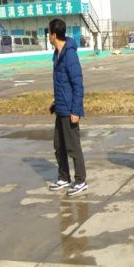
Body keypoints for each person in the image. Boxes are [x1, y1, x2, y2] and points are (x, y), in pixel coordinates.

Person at [47, 19, 88, 197]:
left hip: (70, 109)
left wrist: (76, 111)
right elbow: (62, 84)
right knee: (59, 145)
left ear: (54, 35)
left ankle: (81, 181)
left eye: (49, 33)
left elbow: (78, 84)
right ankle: (64, 177)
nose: (48, 36)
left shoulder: (69, 55)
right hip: (61, 107)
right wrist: (56, 102)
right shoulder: (57, 54)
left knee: (73, 147)